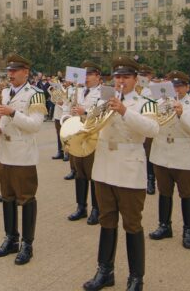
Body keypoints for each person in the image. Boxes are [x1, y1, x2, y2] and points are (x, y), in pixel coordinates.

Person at [82, 57, 160, 291]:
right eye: (117, 77)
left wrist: (125, 111)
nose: (120, 81)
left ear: (135, 79)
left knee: (132, 224)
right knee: (107, 221)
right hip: (104, 166)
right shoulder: (104, 100)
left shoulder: (146, 101)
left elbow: (152, 129)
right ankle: (105, 271)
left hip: (129, 168)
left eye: (126, 77)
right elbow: (90, 124)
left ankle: (136, 278)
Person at [0, 54, 46, 265]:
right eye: (9, 71)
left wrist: (12, 113)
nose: (10, 74)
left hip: (23, 154)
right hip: (4, 151)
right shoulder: (4, 92)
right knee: (7, 197)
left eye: (15, 71)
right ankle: (10, 238)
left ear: (26, 72)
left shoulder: (36, 94)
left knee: (26, 199)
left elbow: (36, 125)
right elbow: (0, 117)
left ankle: (27, 244)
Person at [148, 71, 190, 250]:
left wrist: (182, 115)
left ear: (187, 87)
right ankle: (164, 226)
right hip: (162, 152)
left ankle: (189, 230)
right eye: (172, 86)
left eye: (179, 85)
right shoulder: (158, 103)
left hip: (184, 154)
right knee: (164, 192)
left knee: (186, 193)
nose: (176, 89)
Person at [62, 60, 104, 225]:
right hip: (76, 135)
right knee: (79, 173)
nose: (85, 78)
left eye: (89, 74)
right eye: (84, 74)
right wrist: (67, 120)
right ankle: (81, 207)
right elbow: (66, 108)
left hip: (92, 136)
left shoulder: (103, 92)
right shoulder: (76, 91)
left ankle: (96, 209)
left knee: (93, 174)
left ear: (97, 76)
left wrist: (84, 112)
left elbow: (103, 111)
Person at [137, 64, 157, 195]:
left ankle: (151, 180)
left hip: (148, 121)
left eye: (145, 75)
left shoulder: (154, 88)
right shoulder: (135, 88)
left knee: (149, 153)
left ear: (150, 76)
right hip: (136, 123)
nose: (143, 77)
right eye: (141, 75)